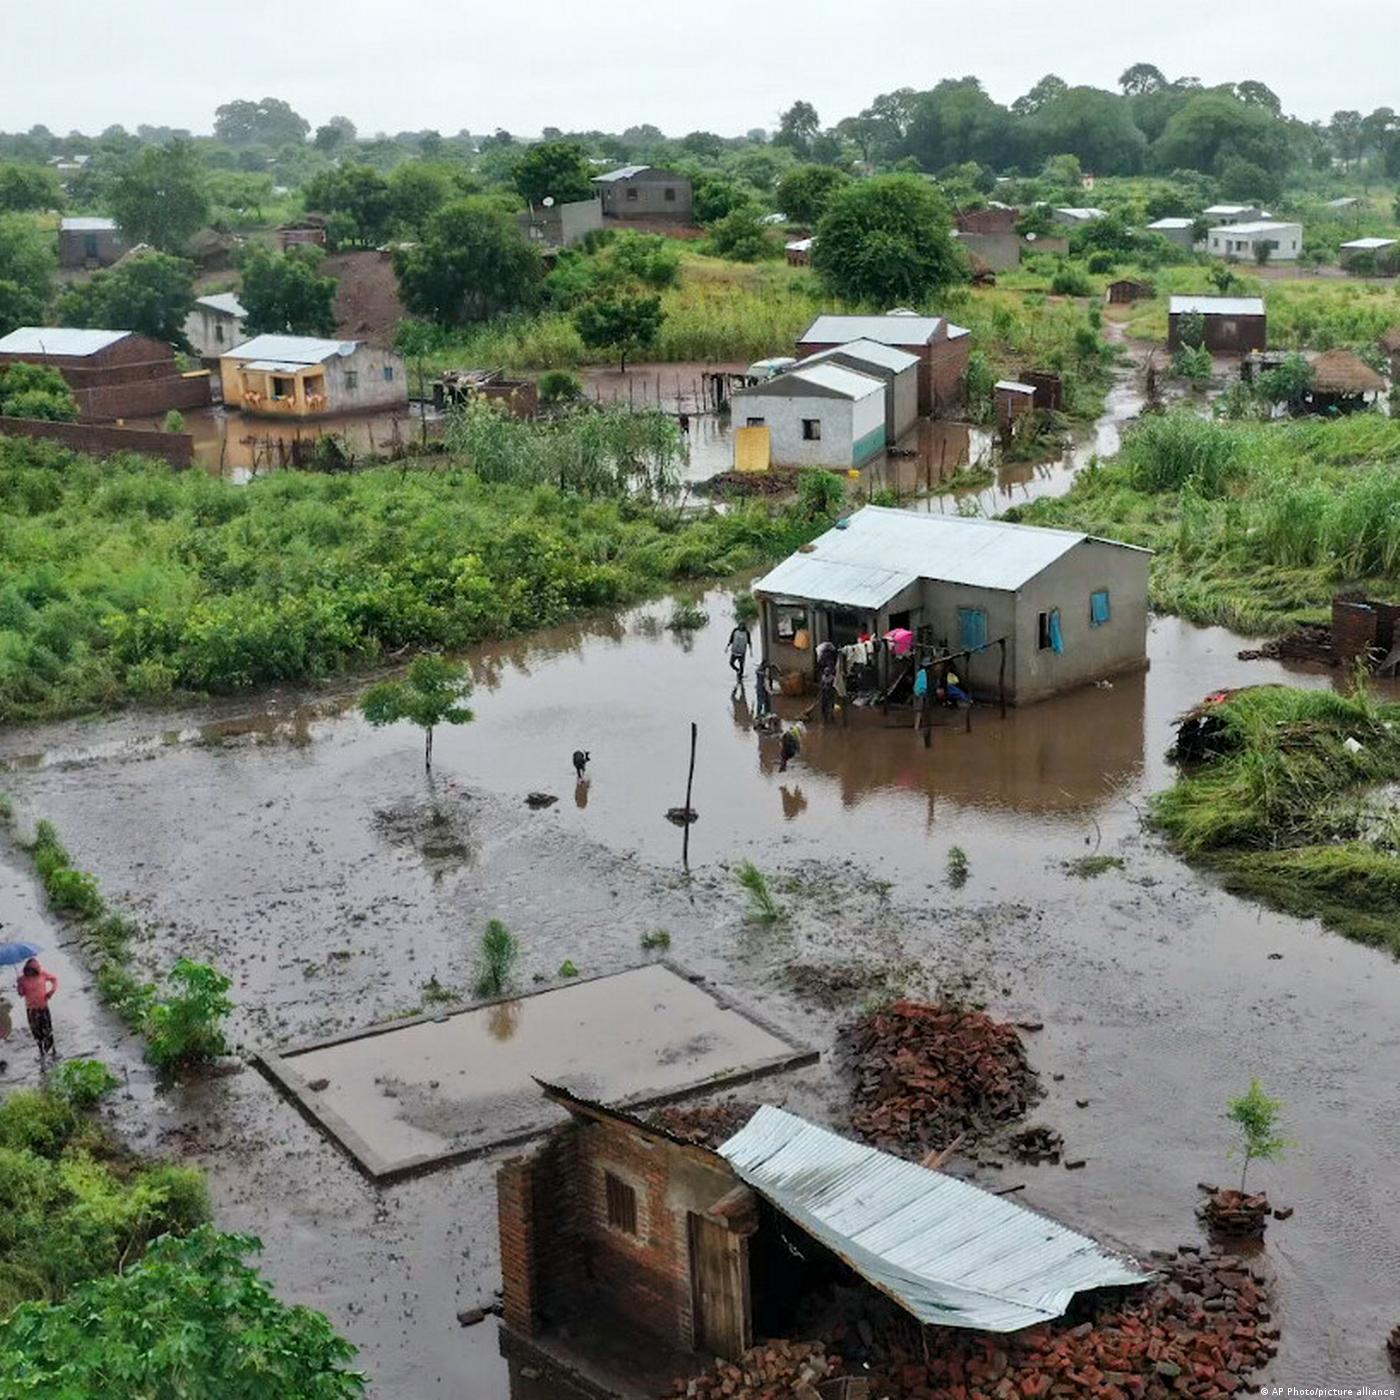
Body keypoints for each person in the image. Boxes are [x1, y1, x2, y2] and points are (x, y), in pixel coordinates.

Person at [16, 958, 56, 1061]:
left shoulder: (42, 974)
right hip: (32, 1011)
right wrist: (19, 986)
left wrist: (51, 992)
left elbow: (54, 980)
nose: (30, 972)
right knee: (36, 1032)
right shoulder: (22, 979)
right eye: (28, 970)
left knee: (48, 1029)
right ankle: (41, 1052)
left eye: (32, 970)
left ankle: (53, 1051)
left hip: (43, 1008)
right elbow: (21, 994)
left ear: (36, 969)